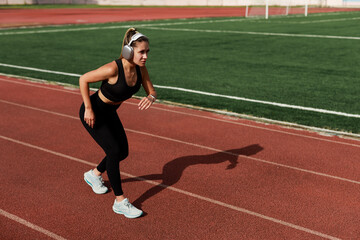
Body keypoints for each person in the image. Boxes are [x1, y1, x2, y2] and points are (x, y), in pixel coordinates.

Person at [79, 27, 156, 219]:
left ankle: (94, 174)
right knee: (113, 151)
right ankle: (120, 202)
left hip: (110, 112)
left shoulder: (140, 69)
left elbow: (152, 91)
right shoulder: (113, 69)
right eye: (141, 52)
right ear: (128, 51)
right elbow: (83, 79)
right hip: (94, 112)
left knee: (123, 152)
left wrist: (151, 98)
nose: (145, 56)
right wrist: (88, 108)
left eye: (147, 52)